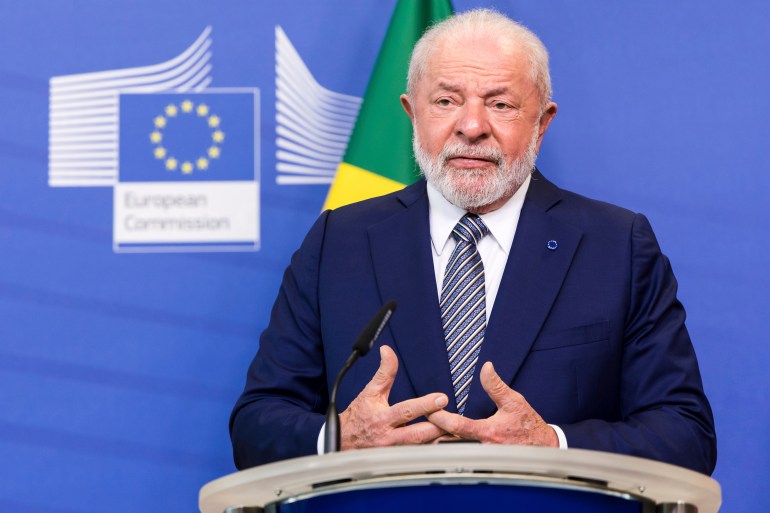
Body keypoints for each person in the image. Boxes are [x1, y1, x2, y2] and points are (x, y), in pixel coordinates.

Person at [230, 8, 716, 474]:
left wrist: (552, 444)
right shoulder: (339, 242)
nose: (471, 126)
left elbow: (685, 434)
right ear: (411, 113)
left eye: (501, 104)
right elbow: (256, 423)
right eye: (446, 101)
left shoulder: (617, 246)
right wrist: (338, 438)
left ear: (542, 122)